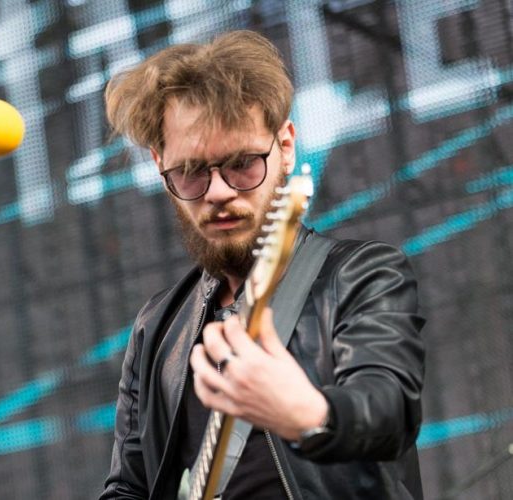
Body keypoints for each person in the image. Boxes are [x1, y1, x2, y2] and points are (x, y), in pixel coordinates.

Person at [100, 30, 425, 499]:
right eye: (190, 172)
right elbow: (129, 488)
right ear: (159, 164)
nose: (218, 192)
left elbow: (388, 411)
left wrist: (308, 413)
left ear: (285, 146)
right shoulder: (158, 327)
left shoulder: (364, 275)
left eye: (242, 163)